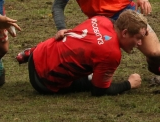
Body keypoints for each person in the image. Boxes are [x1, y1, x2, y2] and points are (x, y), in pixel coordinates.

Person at [16, 11, 146, 96]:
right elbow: (98, 91)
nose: (140, 43)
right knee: (91, 80)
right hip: (43, 82)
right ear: (124, 33)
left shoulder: (101, 19)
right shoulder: (112, 53)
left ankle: (30, 51)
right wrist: (129, 84)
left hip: (40, 52)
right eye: (138, 38)